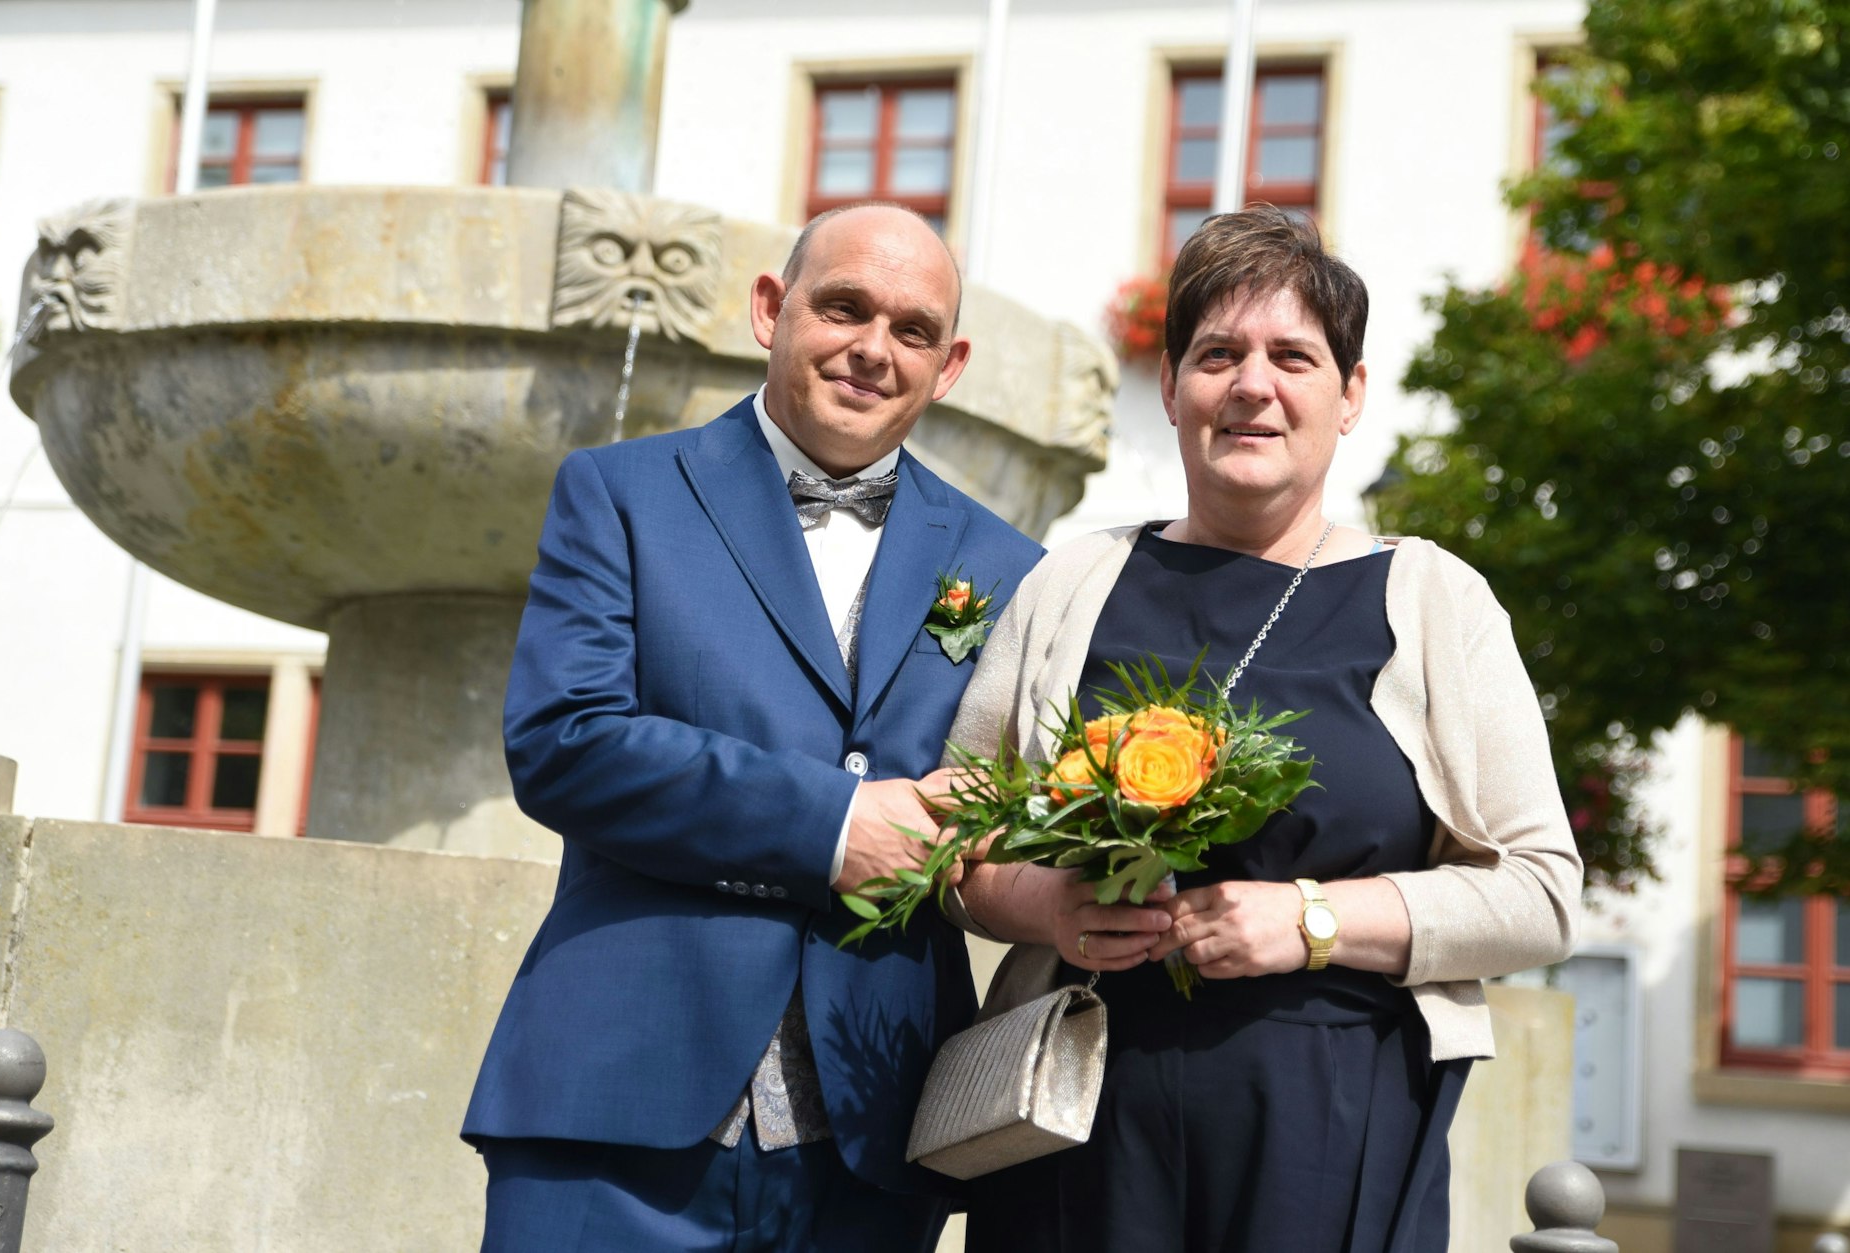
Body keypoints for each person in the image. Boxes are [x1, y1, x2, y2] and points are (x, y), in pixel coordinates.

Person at [946, 204, 1582, 1253]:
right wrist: (1051, 904)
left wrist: (1311, 918)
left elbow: (1540, 890)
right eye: (1216, 354)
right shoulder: (1069, 581)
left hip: (1334, 1121)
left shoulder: (1430, 599)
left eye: (1292, 355)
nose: (1252, 384)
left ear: (1348, 397)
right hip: (1076, 1118)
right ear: (1170, 389)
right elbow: (954, 834)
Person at [463, 202, 1043, 1252]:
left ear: (947, 365)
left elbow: (1000, 797)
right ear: (770, 309)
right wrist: (834, 824)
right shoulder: (621, 493)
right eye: (843, 308)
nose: (872, 348)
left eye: (911, 330)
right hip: (619, 1115)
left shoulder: (1005, 564)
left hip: (873, 1137)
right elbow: (565, 740)